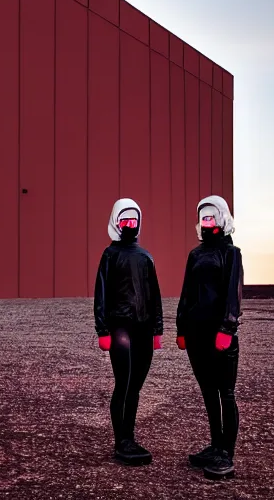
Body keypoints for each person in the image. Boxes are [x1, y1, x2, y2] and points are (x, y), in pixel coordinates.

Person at [176, 195, 243, 480]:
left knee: (226, 394)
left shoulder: (231, 253)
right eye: (204, 217)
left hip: (220, 336)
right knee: (208, 393)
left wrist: (227, 330)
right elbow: (186, 294)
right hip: (196, 335)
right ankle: (215, 445)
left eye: (211, 217)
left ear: (222, 218)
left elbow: (233, 295)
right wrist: (181, 329)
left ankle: (226, 453)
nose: (207, 222)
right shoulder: (195, 255)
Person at [94, 198, 163, 466]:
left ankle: (129, 437)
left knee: (135, 386)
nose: (130, 225)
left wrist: (157, 329)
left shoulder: (146, 257)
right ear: (116, 222)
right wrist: (102, 329)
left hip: (144, 329)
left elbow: (155, 296)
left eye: (133, 221)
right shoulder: (109, 256)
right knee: (123, 384)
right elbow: (100, 293)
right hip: (119, 327)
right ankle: (121, 441)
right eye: (125, 220)